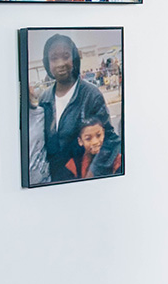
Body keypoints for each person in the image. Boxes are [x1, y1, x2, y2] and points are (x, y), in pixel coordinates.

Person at [37, 33, 122, 182]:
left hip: (80, 177)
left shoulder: (90, 94)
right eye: (54, 58)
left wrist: (92, 173)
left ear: (75, 58)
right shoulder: (45, 98)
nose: (60, 63)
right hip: (53, 179)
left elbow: (110, 140)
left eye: (65, 56)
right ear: (47, 63)